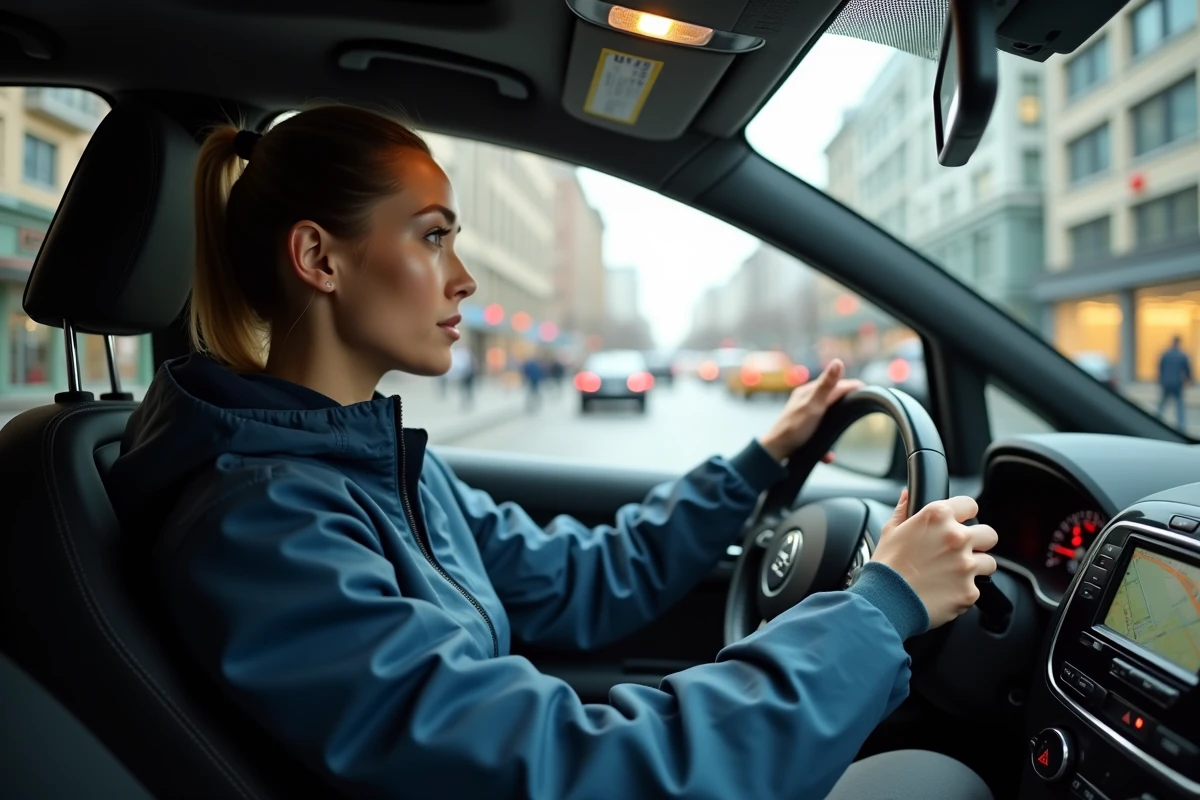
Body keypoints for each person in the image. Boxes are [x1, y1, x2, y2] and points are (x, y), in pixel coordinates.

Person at [105, 106, 998, 800]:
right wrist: (879, 607)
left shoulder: (376, 465)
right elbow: (570, 771)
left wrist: (760, 460)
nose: (464, 278)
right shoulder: (266, 527)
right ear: (319, 257)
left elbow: (581, 580)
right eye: (432, 235)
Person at [1158, 335, 1192, 430]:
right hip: (1177, 383)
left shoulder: (1166, 354)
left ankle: (1156, 421)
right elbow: (1187, 370)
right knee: (1179, 405)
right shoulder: (1182, 355)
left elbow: (1160, 368)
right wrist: (1189, 380)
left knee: (1162, 404)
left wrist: (1160, 380)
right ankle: (1181, 426)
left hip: (1166, 382)